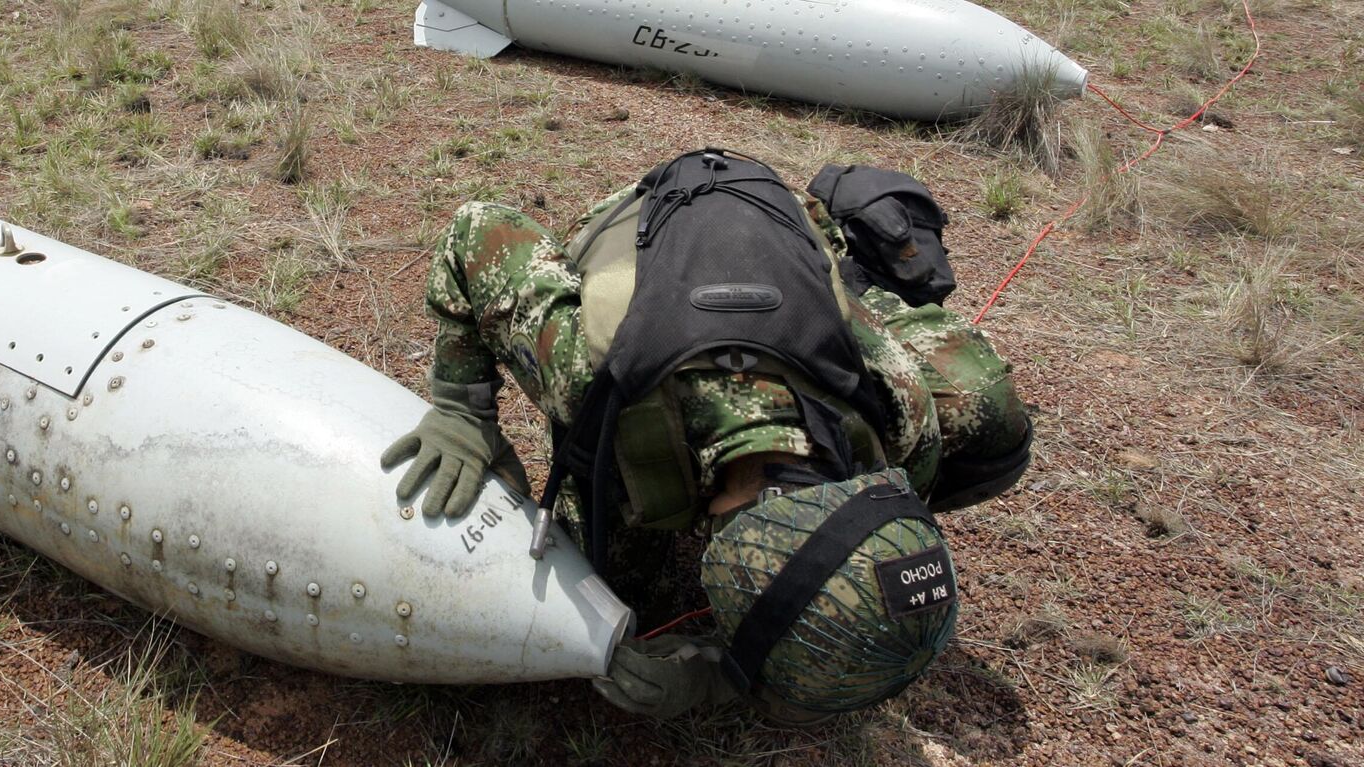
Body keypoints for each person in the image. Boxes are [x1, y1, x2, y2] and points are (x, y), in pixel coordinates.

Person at [382, 149, 1032, 724]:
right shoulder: (593, 375)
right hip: (645, 232)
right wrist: (463, 409)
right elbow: (479, 228)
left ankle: (852, 259)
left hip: (780, 233)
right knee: (618, 585)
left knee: (990, 423)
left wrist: (720, 671)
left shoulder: (897, 416)